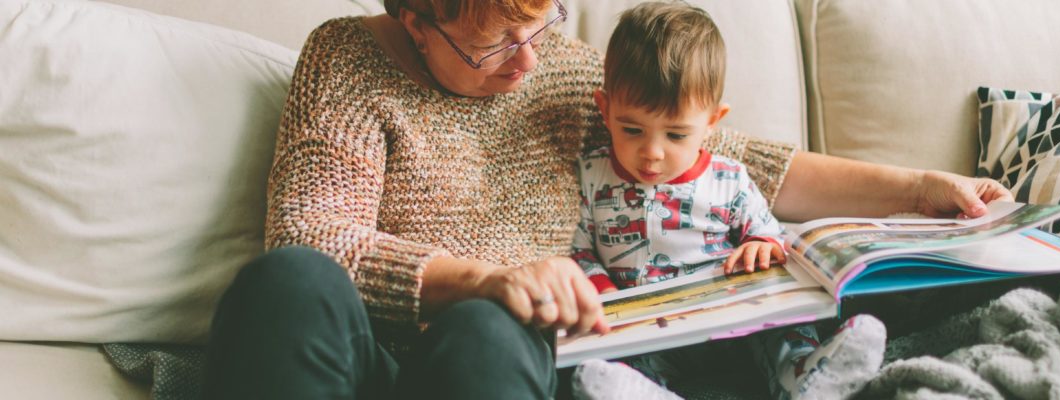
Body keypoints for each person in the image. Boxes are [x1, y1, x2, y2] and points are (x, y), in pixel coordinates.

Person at [200, 0, 1012, 398]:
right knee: (288, 282)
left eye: (542, 21)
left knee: (489, 332)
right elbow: (318, 235)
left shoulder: (565, 70)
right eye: (493, 44)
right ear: (415, 20)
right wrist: (482, 275)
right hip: (365, 365)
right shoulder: (345, 59)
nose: (527, 60)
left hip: (497, 367)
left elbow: (734, 163)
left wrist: (918, 186)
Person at [566, 4, 884, 400]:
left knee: (785, 328)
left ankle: (805, 374)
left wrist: (760, 247)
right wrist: (602, 290)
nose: (652, 152)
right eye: (632, 129)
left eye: (677, 135)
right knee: (605, 362)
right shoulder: (591, 175)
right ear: (605, 108)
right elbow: (577, 249)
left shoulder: (729, 178)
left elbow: (771, 234)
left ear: (713, 121)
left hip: (737, 327)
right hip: (646, 336)